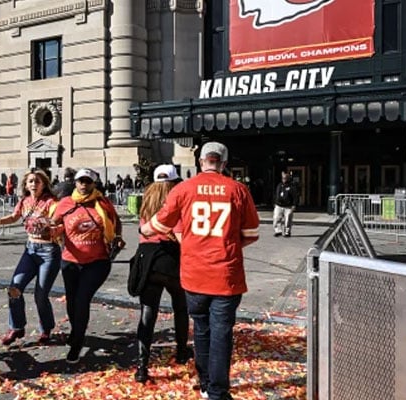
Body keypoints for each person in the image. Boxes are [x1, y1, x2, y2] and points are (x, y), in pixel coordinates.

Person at [139, 142, 259, 400]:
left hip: (194, 274)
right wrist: (228, 243)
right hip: (226, 274)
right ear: (224, 163)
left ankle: (205, 383)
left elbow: (158, 225)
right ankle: (217, 390)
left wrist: (145, 230)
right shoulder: (238, 190)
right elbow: (251, 234)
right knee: (222, 333)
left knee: (202, 329)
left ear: (201, 161)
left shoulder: (184, 189)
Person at [51, 168, 125, 364]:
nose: (84, 185)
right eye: (80, 181)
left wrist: (117, 237)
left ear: (94, 184)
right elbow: (55, 224)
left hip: (97, 262)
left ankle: (77, 342)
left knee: (82, 299)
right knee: (72, 302)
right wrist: (50, 229)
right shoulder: (66, 203)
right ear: (75, 183)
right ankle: (77, 331)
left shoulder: (102, 203)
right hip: (70, 261)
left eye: (88, 181)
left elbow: (116, 223)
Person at [132, 164, 190, 383]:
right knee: (180, 307)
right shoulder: (176, 201)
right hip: (171, 257)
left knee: (148, 312)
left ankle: (142, 366)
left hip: (147, 257)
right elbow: (181, 231)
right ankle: (182, 351)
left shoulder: (146, 201)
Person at [0, 170, 62, 346]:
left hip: (49, 252)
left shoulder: (51, 202)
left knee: (40, 294)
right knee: (14, 288)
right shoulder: (24, 201)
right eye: (30, 181)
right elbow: (14, 217)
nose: (33, 184)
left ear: (44, 184)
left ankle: (46, 330)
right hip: (30, 250)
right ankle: (16, 327)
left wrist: (54, 229)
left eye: (37, 181)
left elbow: (60, 222)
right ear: (25, 184)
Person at [273, 170, 299, 237]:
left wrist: (294, 205)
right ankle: (278, 231)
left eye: (285, 178)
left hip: (288, 206)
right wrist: (275, 202)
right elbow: (276, 194)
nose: (283, 179)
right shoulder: (279, 185)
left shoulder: (292, 186)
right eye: (283, 178)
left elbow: (295, 196)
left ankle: (287, 232)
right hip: (279, 205)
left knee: (288, 220)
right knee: (276, 218)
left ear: (288, 178)